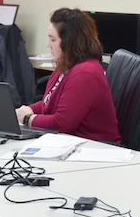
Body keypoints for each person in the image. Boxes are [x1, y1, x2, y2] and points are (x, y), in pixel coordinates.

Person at [14, 8, 120, 143]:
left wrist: (27, 118)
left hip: (95, 147)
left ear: (69, 42)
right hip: (71, 142)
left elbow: (62, 123)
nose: (48, 45)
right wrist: (28, 109)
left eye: (53, 40)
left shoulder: (86, 73)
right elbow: (51, 102)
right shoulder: (66, 66)